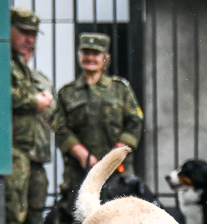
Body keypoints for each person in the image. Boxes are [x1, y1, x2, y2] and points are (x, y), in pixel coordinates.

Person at [53, 32, 143, 211]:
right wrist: (83, 155)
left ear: (106, 58)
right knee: (82, 222)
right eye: (86, 53)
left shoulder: (120, 90)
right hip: (80, 172)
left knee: (119, 218)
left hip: (117, 171)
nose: (90, 58)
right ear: (79, 56)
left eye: (96, 53)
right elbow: (60, 127)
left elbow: (135, 120)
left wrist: (117, 152)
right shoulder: (67, 93)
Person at [5, 7, 53, 224]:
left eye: (33, 34)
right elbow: (1, 95)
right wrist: (34, 100)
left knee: (33, 217)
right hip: (15, 151)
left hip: (35, 154)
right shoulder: (4, 64)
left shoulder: (26, 69)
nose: (29, 40)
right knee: (14, 213)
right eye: (24, 32)